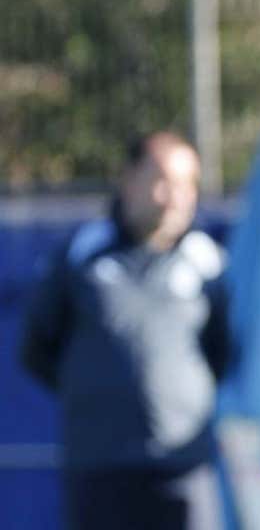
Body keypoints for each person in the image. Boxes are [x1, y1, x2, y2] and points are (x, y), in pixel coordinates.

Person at [20, 132, 232, 530]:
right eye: (165, 181)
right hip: (99, 470)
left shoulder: (209, 263)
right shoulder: (81, 253)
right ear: (129, 180)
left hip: (184, 468)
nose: (177, 197)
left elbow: (222, 352)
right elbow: (36, 350)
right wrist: (93, 391)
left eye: (189, 184)